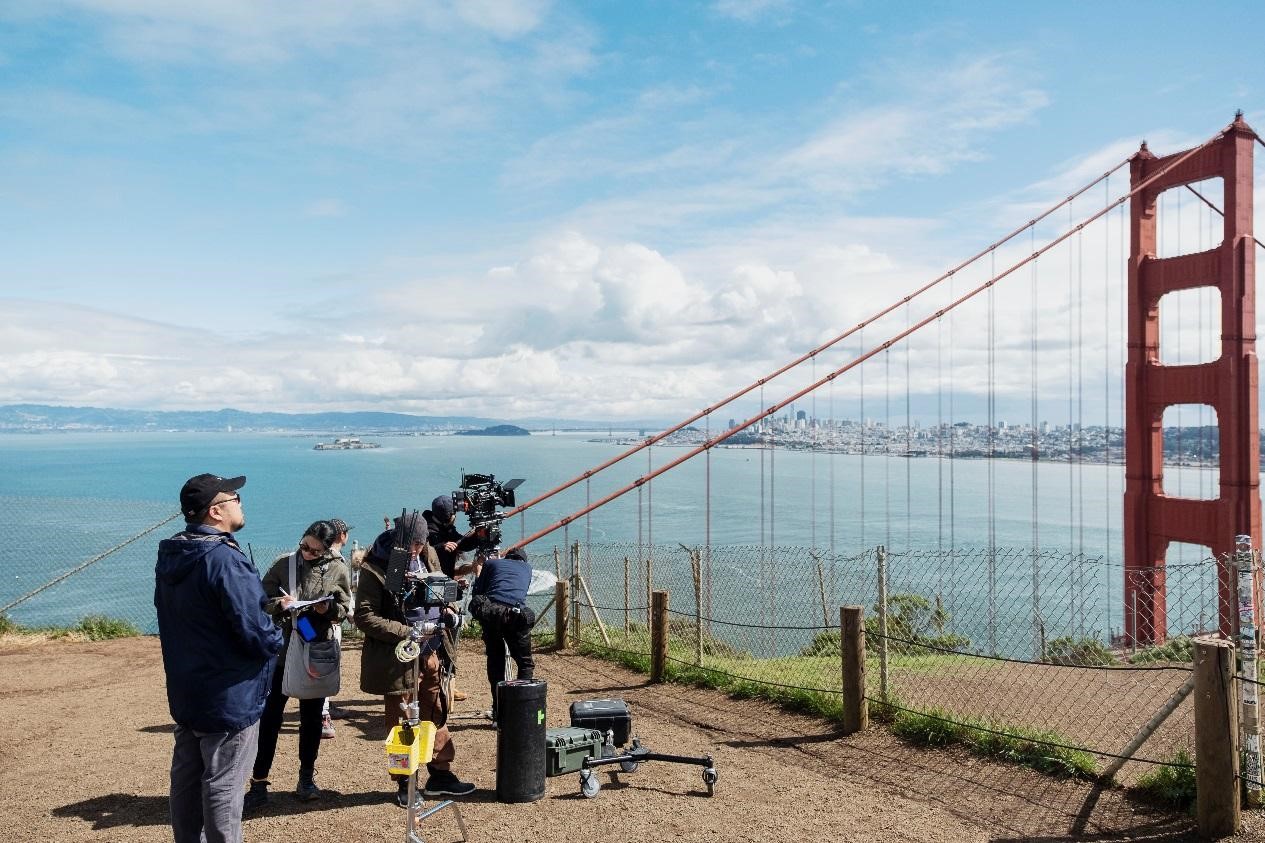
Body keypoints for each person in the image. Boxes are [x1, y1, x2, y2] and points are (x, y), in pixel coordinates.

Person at [155, 473, 283, 843]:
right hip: (229, 691)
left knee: (187, 777)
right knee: (224, 784)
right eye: (235, 497)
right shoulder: (224, 559)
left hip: (187, 686)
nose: (240, 502)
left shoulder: (173, 552)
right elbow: (255, 630)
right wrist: (276, 636)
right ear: (216, 511)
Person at [355, 512, 475, 805]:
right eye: (411, 546)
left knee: (437, 710)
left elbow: (438, 587)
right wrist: (408, 631)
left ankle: (440, 773)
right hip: (399, 657)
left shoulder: (429, 553)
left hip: (432, 650)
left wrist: (448, 609)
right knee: (401, 722)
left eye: (420, 546)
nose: (415, 552)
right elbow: (365, 616)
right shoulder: (375, 567)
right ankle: (405, 782)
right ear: (398, 541)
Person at [243, 521, 352, 810]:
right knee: (270, 718)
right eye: (304, 546)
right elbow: (258, 600)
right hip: (281, 649)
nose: (307, 553)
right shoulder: (283, 564)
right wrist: (280, 604)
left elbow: (343, 609)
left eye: (315, 551)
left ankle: (306, 779)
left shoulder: (339, 569)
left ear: (327, 550)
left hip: (315, 646)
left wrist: (325, 608)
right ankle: (258, 782)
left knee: (312, 718)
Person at [423, 495, 480, 702]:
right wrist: (440, 548)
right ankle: (443, 684)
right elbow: (421, 550)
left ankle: (446, 682)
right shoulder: (427, 529)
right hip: (433, 591)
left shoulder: (444, 529)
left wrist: (479, 533)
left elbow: (460, 544)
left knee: (446, 637)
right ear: (449, 516)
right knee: (442, 639)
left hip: (445, 587)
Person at [469, 547, 535, 721]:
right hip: (515, 615)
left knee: (496, 662)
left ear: (506, 557)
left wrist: (479, 573)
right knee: (525, 663)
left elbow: (478, 592)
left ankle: (498, 711)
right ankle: (521, 711)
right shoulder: (528, 569)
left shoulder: (491, 563)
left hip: (491, 613)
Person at [319, 518, 353, 738]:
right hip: (328, 623)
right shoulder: (336, 561)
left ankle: (326, 707)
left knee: (323, 666)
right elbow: (343, 596)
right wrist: (351, 614)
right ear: (342, 536)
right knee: (323, 667)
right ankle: (322, 716)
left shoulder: (314, 554)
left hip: (311, 623)